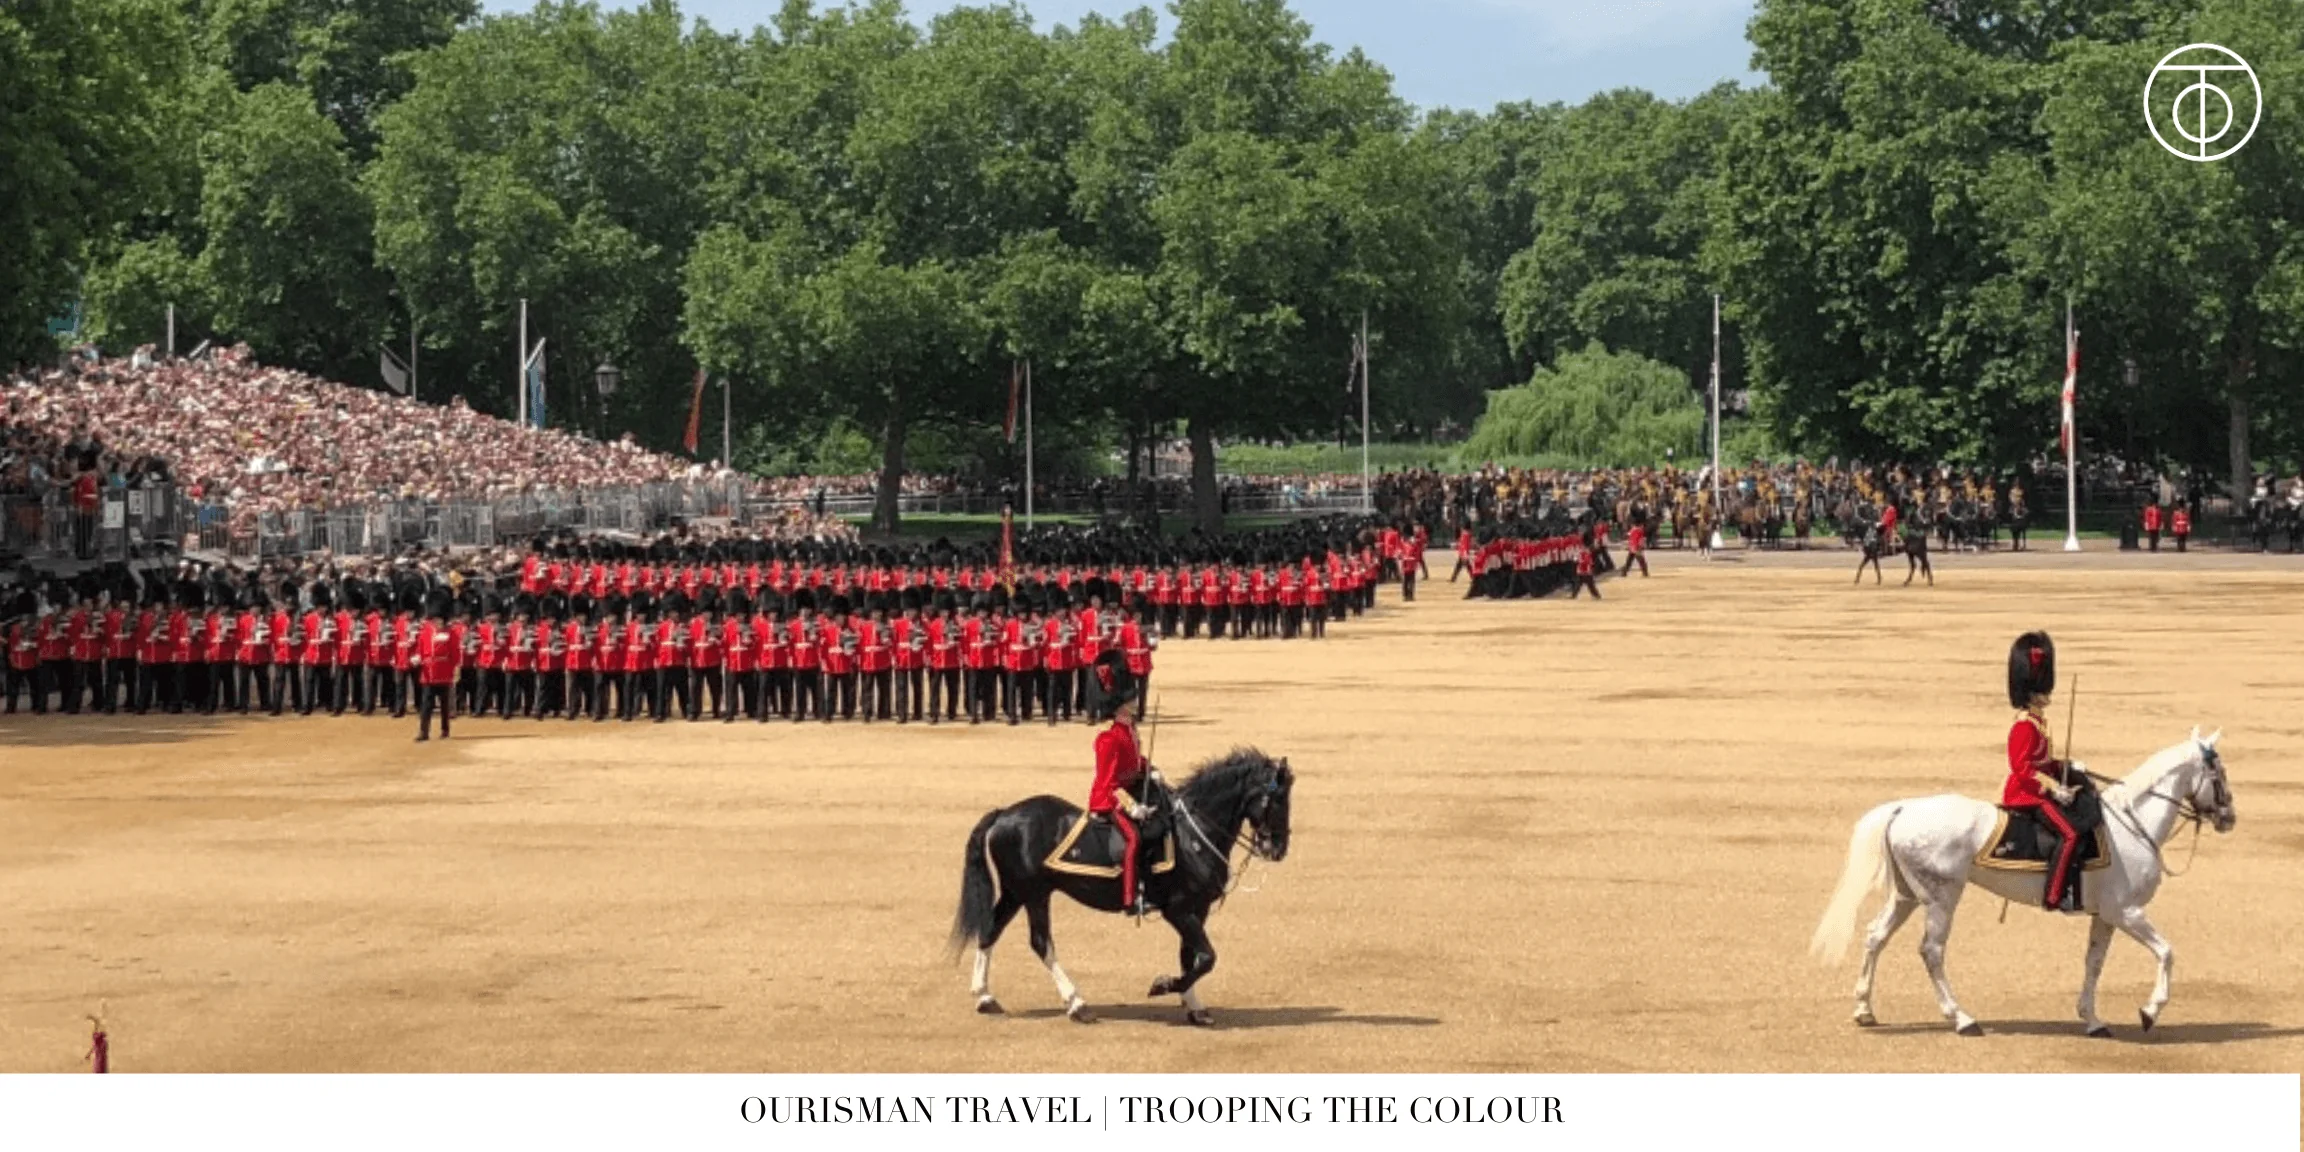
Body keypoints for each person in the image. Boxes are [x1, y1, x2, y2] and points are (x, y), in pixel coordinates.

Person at [2004, 632, 2084, 912]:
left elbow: (2043, 761)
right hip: (2025, 795)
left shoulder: (2039, 722)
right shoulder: (2025, 724)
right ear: (2030, 693)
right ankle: (2055, 896)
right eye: (2040, 690)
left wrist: (2066, 769)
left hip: (2037, 789)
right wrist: (2052, 788)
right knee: (2070, 834)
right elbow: (2022, 767)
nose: (2046, 695)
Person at [1087, 650, 1152, 916]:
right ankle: (1129, 899)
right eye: (1131, 700)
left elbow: (1133, 763)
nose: (1136, 702)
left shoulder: (1129, 731)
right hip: (1109, 800)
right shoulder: (1109, 738)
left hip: (1128, 790)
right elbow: (1110, 783)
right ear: (1121, 706)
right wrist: (1132, 806)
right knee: (1133, 838)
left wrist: (1149, 770)